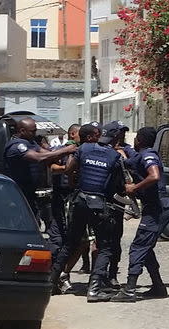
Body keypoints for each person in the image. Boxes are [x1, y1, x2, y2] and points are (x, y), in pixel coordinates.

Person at [50, 123, 124, 303]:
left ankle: (50, 283)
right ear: (115, 140)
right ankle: (94, 289)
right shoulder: (115, 156)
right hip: (99, 205)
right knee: (105, 246)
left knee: (70, 243)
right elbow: (118, 185)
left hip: (80, 201)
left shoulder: (84, 149)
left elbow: (68, 170)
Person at [111, 127, 169, 302]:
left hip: (158, 207)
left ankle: (130, 290)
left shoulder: (149, 155)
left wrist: (135, 187)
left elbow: (154, 175)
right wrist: (119, 149)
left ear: (139, 139)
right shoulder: (141, 154)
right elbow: (130, 159)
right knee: (146, 247)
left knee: (138, 246)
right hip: (155, 206)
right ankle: (158, 286)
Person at [3, 118, 76, 217]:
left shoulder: (31, 142)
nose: (35, 133)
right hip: (17, 192)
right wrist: (65, 151)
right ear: (22, 131)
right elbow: (38, 158)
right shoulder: (17, 146)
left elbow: (48, 154)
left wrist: (65, 152)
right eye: (32, 131)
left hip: (30, 190)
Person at [99, 121, 130, 288]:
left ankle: (112, 274)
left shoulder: (123, 152)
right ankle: (99, 275)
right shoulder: (104, 151)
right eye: (120, 134)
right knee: (101, 241)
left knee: (116, 241)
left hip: (118, 202)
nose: (122, 137)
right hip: (103, 201)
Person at [48, 124, 81, 263]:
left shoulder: (81, 151)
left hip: (74, 197)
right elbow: (52, 167)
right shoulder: (61, 150)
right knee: (58, 234)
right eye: (80, 133)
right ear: (72, 134)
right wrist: (66, 168)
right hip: (60, 196)